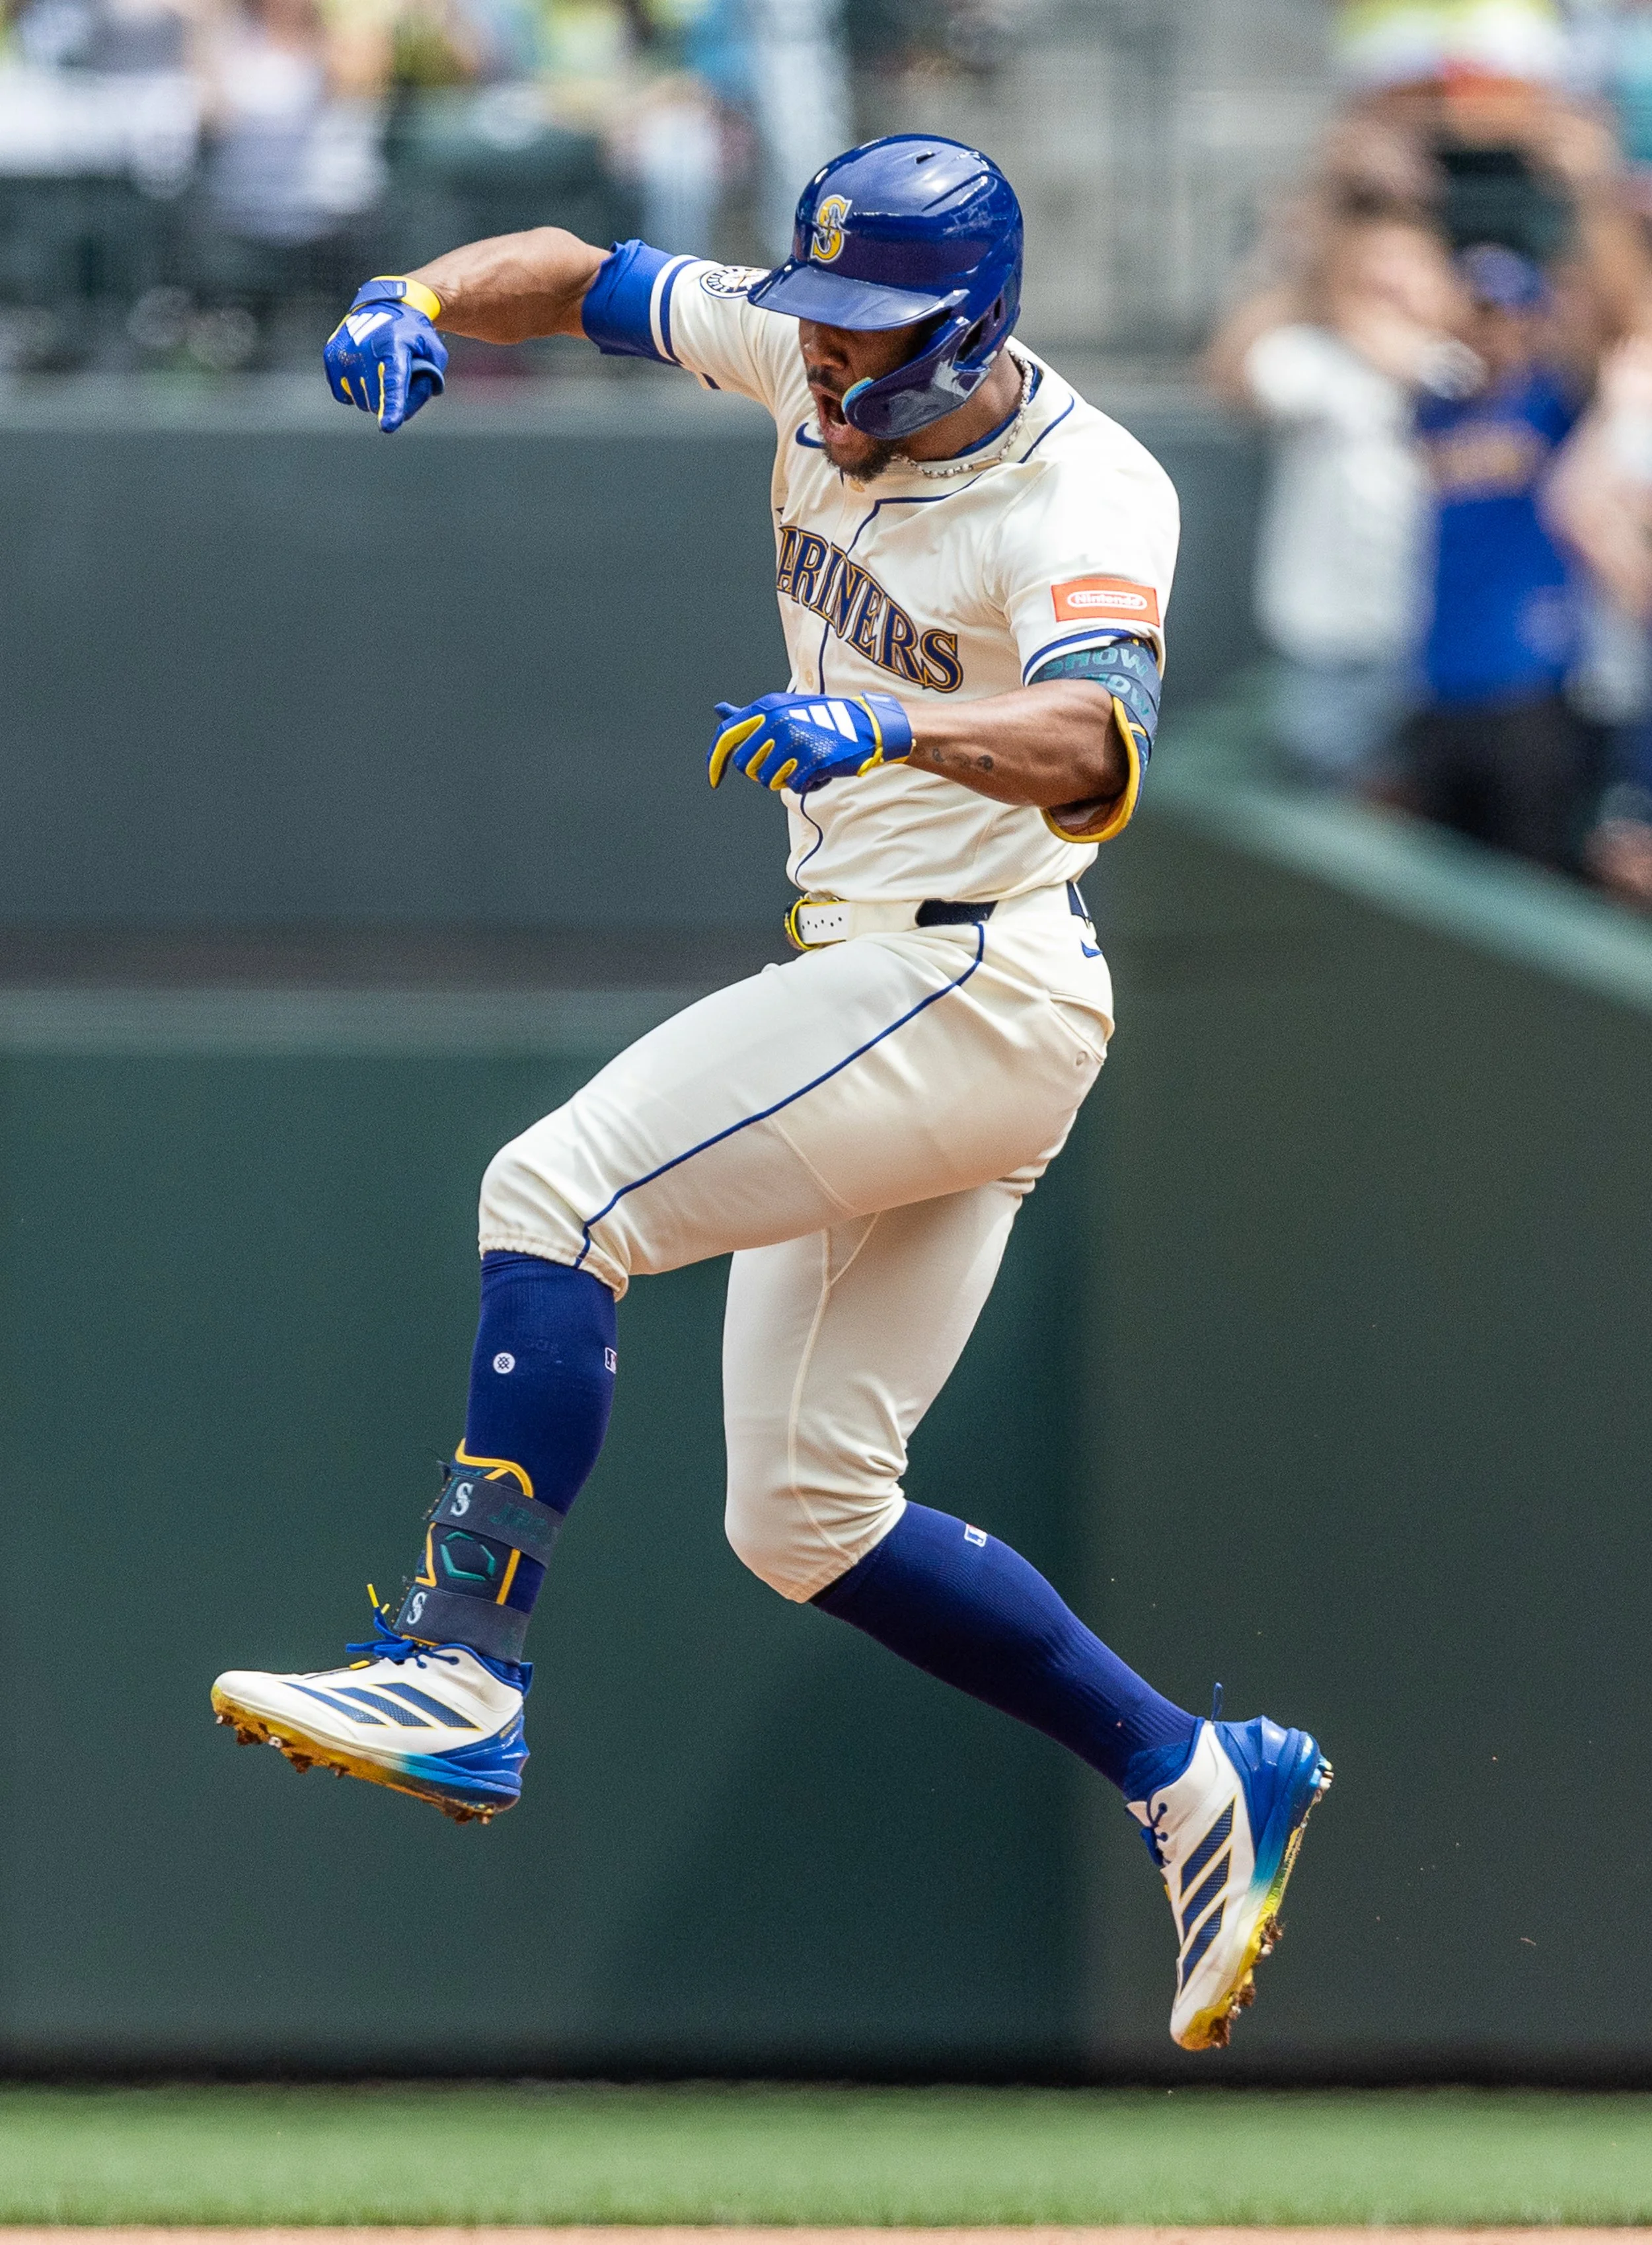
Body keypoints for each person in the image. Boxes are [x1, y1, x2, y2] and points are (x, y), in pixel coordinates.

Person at [210, 135, 1332, 2053]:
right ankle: (1189, 1759)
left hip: (968, 960)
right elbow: (573, 268)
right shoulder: (798, 353)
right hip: (884, 966)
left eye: (865, 331)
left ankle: (462, 1662)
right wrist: (415, 295)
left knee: (557, 1190)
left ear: (970, 323)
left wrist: (898, 721)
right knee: (805, 1513)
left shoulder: (1082, 481)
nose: (820, 363)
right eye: (811, 320)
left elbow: (1093, 739)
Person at [1207, 210, 1474, 789]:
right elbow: (1231, 375)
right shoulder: (1317, 356)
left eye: (1408, 263)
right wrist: (1306, 272)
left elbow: (1438, 371)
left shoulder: (1473, 357)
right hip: (1332, 632)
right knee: (1329, 804)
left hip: (1450, 636)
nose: (1391, 280)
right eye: (1374, 265)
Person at [1403, 241, 1589, 868]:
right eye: (1476, 316)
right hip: (1436, 685)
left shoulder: (1554, 404)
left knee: (1532, 877)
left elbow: (1592, 343)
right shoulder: (1431, 412)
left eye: (1504, 315)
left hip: (1527, 685)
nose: (1490, 332)